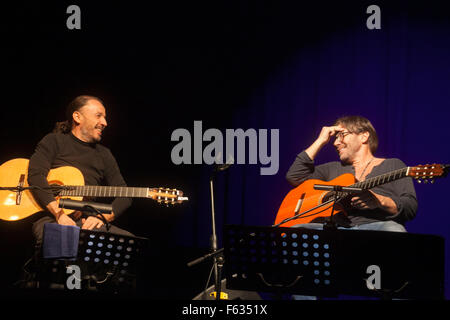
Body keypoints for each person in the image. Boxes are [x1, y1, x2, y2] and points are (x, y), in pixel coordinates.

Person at [28, 95, 134, 249]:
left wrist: (102, 217)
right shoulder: (54, 141)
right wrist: (59, 214)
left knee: (128, 244)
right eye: (99, 116)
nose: (105, 123)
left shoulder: (105, 154)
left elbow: (126, 195)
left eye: (105, 117)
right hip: (51, 217)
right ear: (77, 117)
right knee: (61, 241)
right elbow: (36, 176)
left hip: (86, 222)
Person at [285, 115, 417, 232]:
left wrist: (379, 201)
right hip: (336, 229)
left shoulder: (393, 165)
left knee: (395, 230)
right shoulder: (332, 168)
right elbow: (294, 176)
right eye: (335, 138)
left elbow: (410, 207)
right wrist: (321, 140)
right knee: (294, 231)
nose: (336, 143)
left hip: (378, 226)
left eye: (341, 135)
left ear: (364, 136)